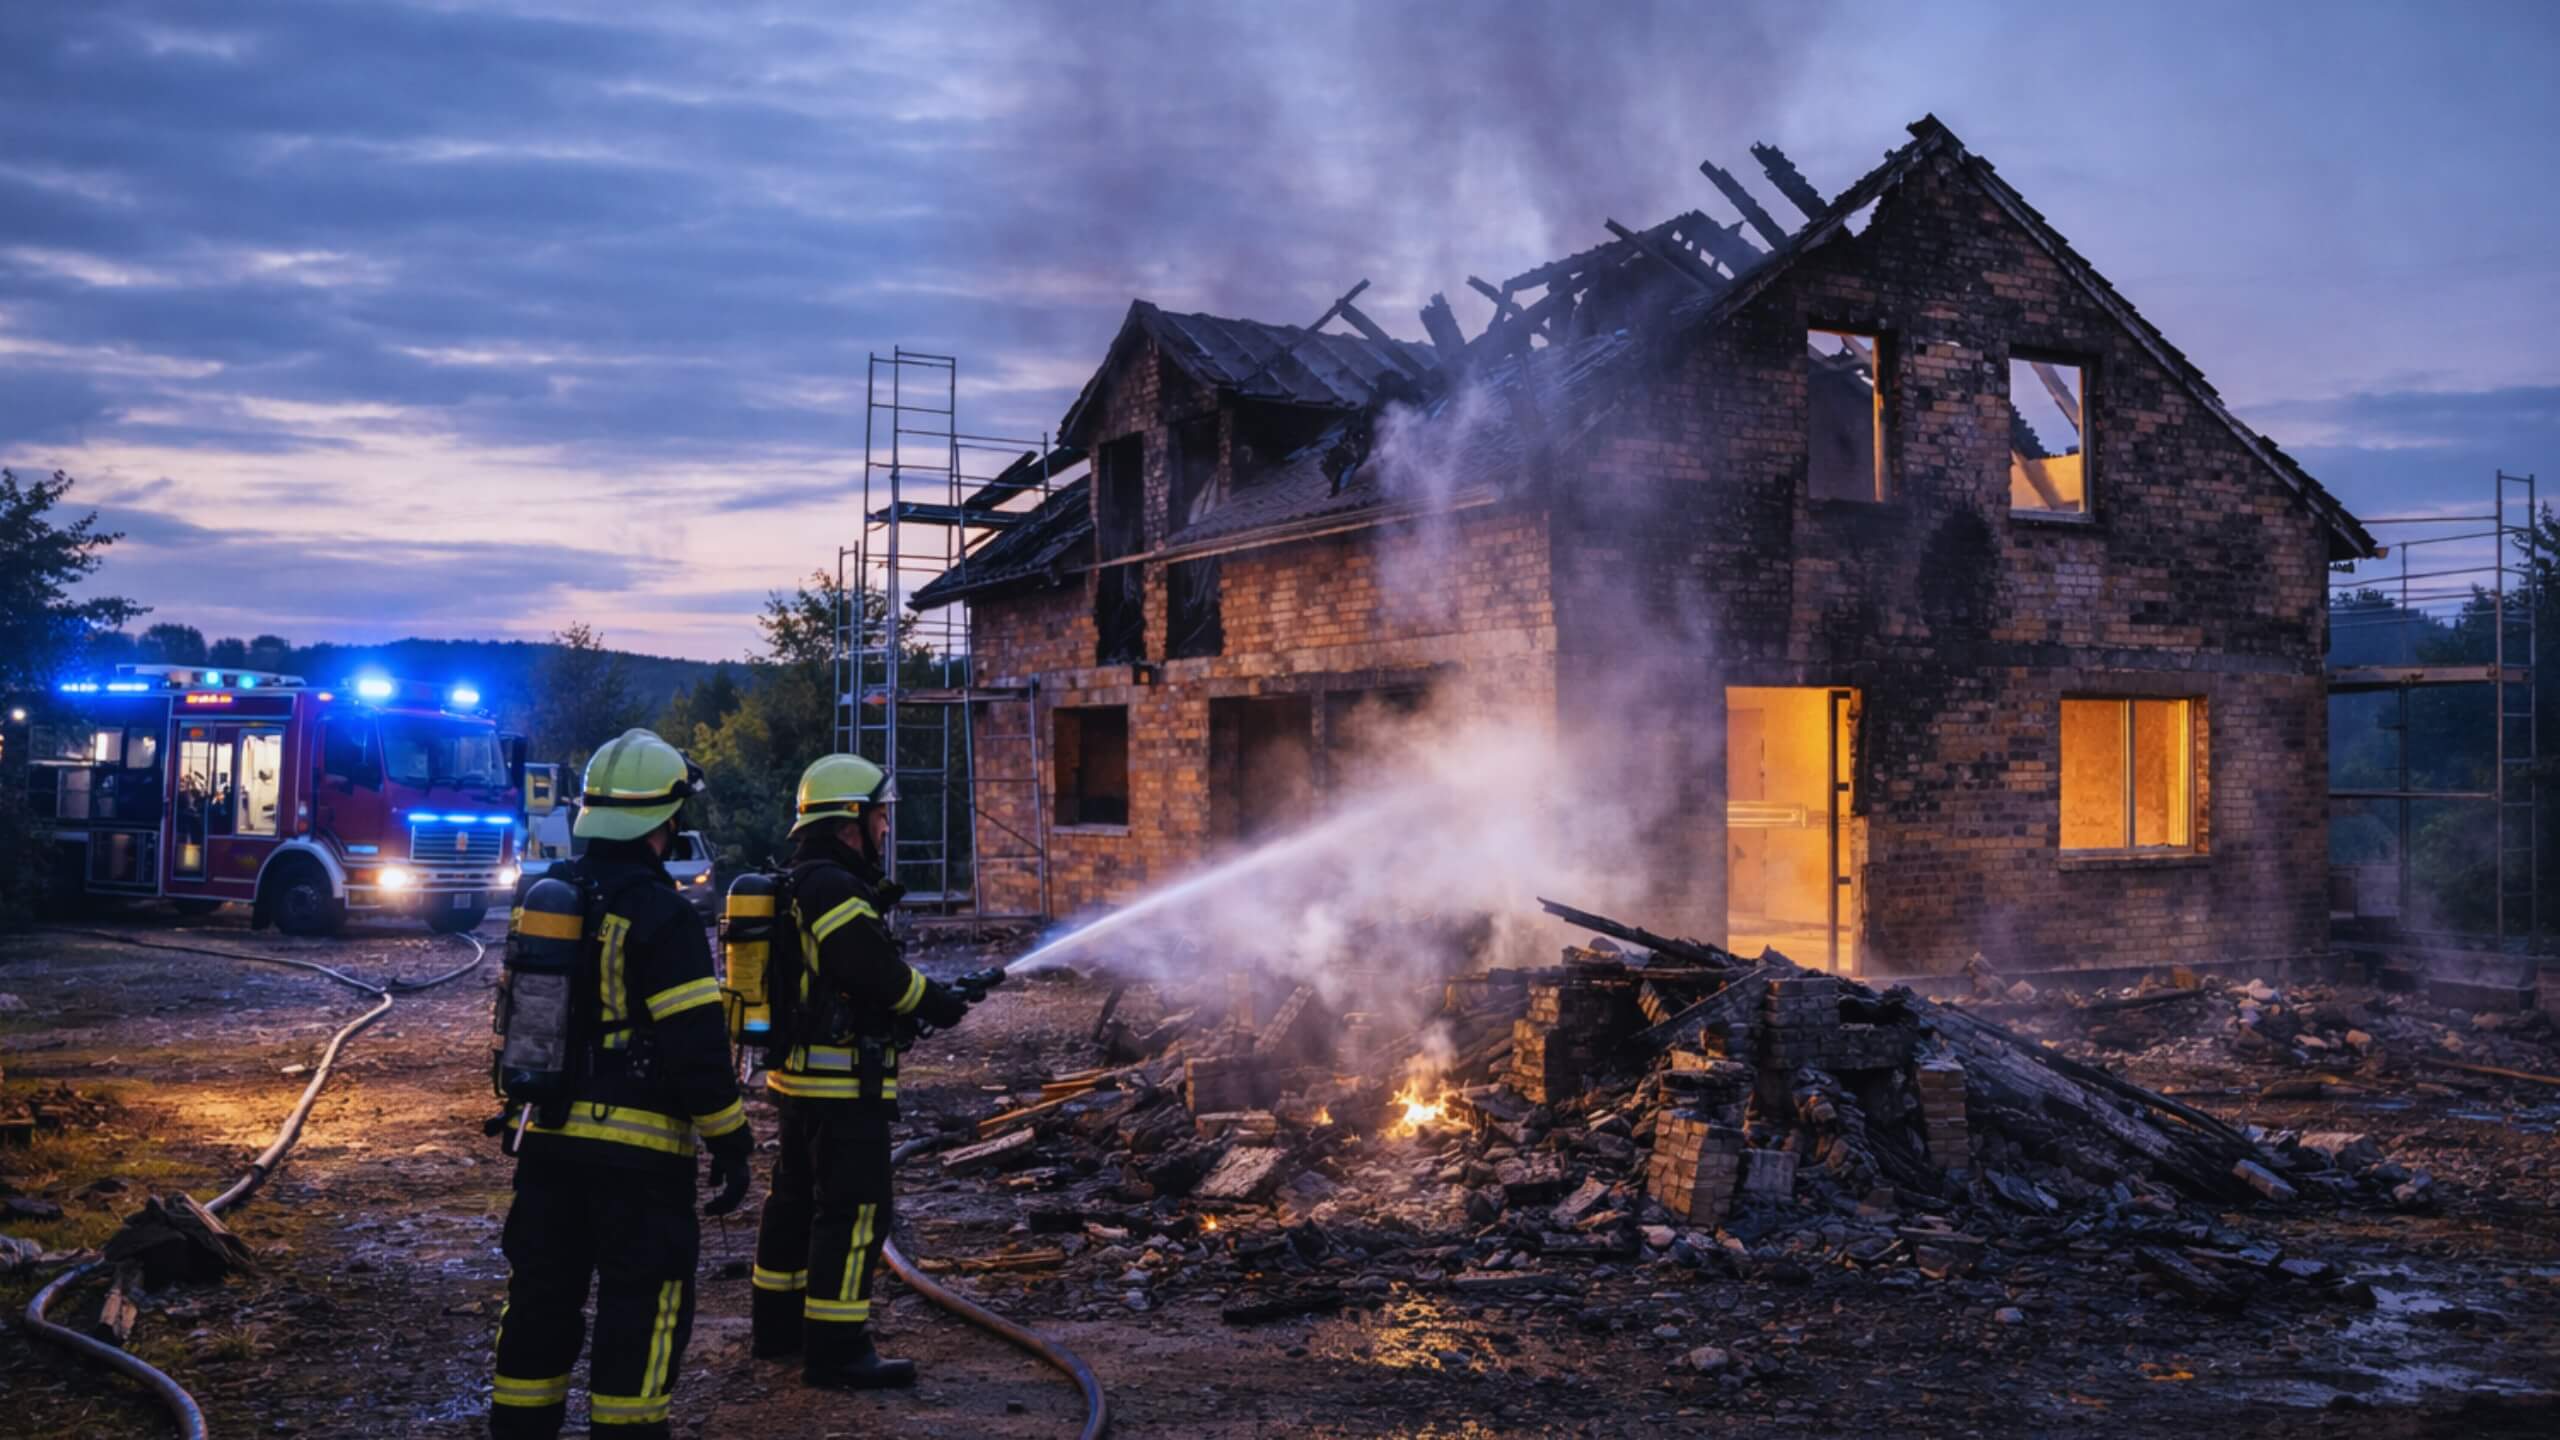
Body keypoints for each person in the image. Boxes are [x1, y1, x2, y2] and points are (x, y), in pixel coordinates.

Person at [489, 730, 753, 1440]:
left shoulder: (549, 896)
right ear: (664, 819)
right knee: (643, 1303)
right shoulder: (663, 913)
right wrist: (733, 1144)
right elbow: (697, 1050)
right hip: (640, 1163)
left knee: (542, 1299)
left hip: (546, 1138)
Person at [750, 754, 972, 1390]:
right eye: (879, 816)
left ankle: (779, 1331)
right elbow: (872, 973)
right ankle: (837, 1349)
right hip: (843, 1086)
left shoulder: (801, 881)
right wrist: (934, 1002)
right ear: (849, 820)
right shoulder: (834, 889)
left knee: (793, 1205)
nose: (884, 830)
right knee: (854, 1215)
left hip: (801, 1082)